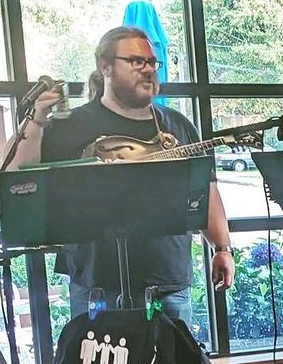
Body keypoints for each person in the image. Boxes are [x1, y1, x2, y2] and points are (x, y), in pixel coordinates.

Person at [13, 25, 235, 326]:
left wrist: (222, 248)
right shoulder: (71, 126)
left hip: (167, 281)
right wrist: (37, 121)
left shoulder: (178, 126)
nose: (147, 70)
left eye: (151, 63)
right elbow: (21, 178)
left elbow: (207, 191)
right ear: (105, 66)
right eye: (136, 61)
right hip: (97, 284)